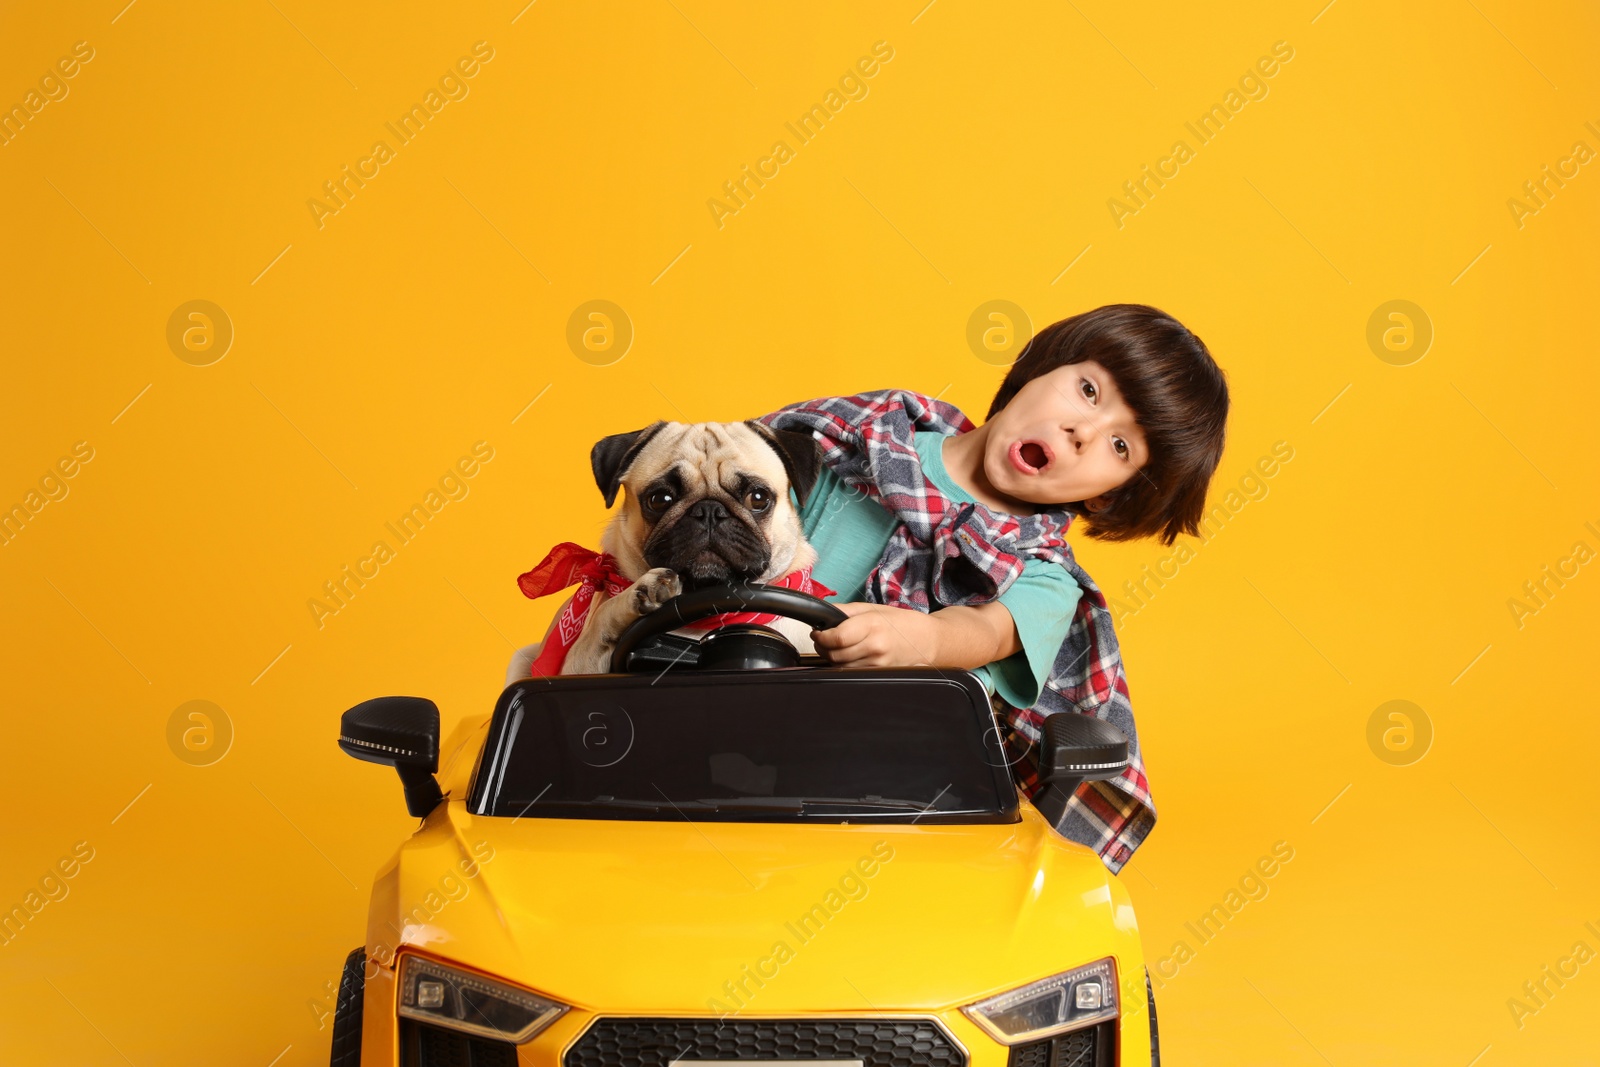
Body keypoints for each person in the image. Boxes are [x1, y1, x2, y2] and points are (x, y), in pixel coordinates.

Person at [756, 303, 1230, 873]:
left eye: (1120, 446)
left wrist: (925, 642)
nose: (1084, 431)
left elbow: (985, 629)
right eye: (1087, 390)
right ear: (1037, 370)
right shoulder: (857, 440)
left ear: (1110, 495)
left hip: (894, 799)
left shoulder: (1046, 577)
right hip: (729, 738)